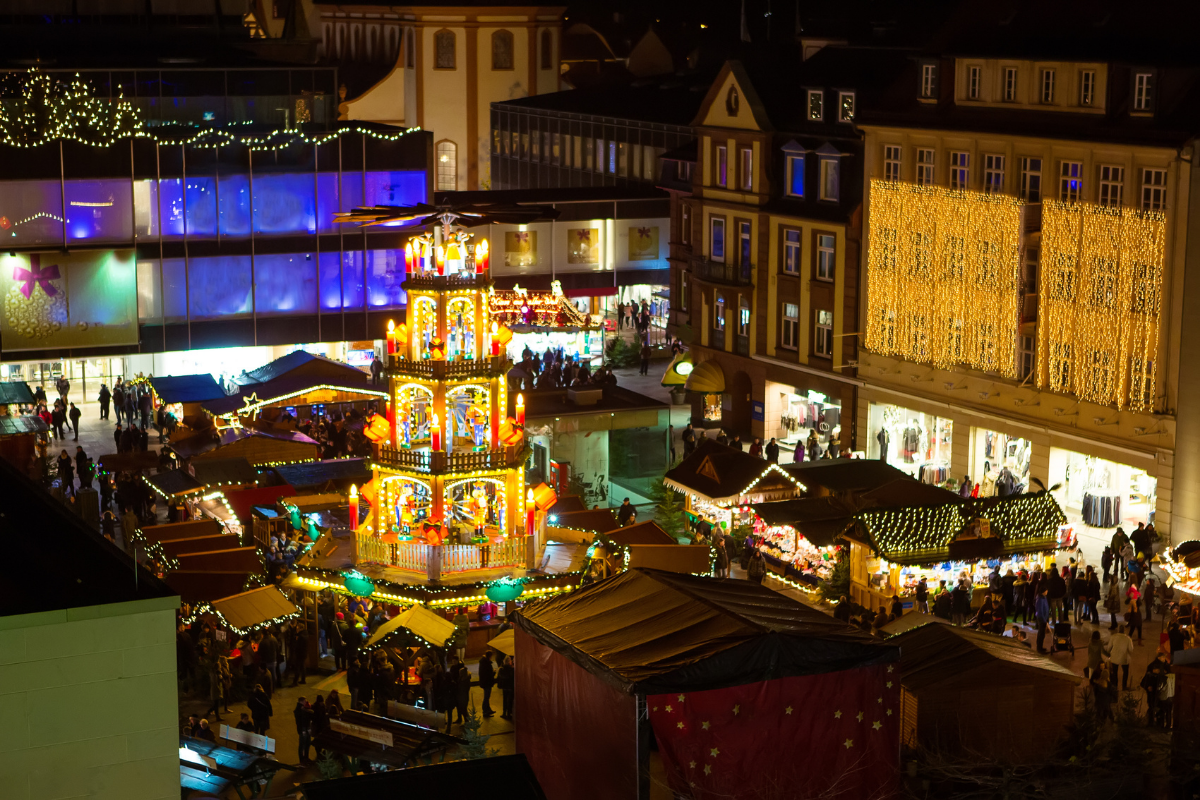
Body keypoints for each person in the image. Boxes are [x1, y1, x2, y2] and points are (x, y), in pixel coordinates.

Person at [294, 698, 314, 764]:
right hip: (303, 729)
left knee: (307, 743)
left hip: (306, 728)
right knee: (303, 744)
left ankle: (305, 758)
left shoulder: (303, 708)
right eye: (304, 701)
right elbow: (299, 720)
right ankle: (302, 760)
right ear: (301, 701)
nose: (305, 702)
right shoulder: (299, 710)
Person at [478, 650, 496, 717]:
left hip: (485, 682)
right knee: (486, 697)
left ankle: (488, 709)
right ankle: (485, 711)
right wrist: (494, 672)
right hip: (487, 682)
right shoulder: (487, 663)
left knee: (487, 696)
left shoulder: (483, 662)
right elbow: (488, 674)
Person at [1035, 589, 1051, 653]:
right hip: (1041, 618)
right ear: (1043, 591)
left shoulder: (1044, 597)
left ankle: (1040, 646)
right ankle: (1039, 648)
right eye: (1046, 590)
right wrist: (1045, 620)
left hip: (1044, 618)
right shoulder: (1040, 599)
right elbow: (1040, 611)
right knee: (1041, 634)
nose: (1047, 591)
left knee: (1042, 634)